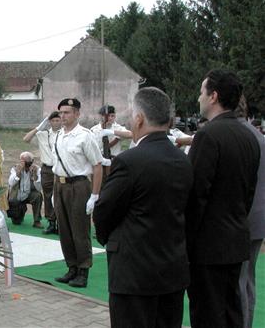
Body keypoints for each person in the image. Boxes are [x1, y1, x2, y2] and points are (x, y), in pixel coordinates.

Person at [93, 87, 193, 328]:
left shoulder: (129, 161)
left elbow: (104, 211)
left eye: (131, 115)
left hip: (133, 273)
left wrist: (108, 239)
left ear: (139, 119)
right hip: (172, 269)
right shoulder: (183, 159)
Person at [186, 69, 260, 328]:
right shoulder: (248, 135)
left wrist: (186, 241)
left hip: (208, 247)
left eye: (201, 92)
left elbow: (195, 196)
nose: (198, 98)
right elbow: (247, 194)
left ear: (213, 96)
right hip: (236, 240)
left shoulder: (208, 136)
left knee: (209, 315)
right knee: (231, 313)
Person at [52, 98, 103, 288]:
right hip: (61, 185)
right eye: (61, 113)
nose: (63, 116)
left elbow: (97, 166)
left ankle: (83, 271)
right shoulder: (58, 135)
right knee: (64, 229)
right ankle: (71, 267)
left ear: (77, 114)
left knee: (79, 230)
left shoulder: (85, 136)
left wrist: (94, 195)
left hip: (79, 186)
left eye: (67, 112)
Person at [235, 97, 265, 328]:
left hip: (242, 220)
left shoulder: (239, 136)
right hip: (257, 219)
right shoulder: (258, 136)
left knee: (239, 282)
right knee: (248, 281)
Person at [23, 111, 62, 234]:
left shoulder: (65, 134)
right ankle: (51, 222)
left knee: (60, 195)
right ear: (49, 122)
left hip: (61, 168)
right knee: (48, 195)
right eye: (53, 120)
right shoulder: (43, 134)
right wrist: (39, 127)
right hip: (47, 169)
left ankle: (61, 223)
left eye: (58, 120)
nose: (55, 123)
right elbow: (26, 139)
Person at [7, 151, 42, 227]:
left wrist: (35, 177)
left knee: (38, 196)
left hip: (30, 194)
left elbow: (39, 189)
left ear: (32, 162)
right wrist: (18, 173)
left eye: (28, 163)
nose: (26, 166)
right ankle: (22, 210)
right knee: (16, 222)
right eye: (24, 162)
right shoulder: (15, 168)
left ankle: (37, 221)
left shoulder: (37, 169)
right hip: (18, 196)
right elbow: (11, 183)